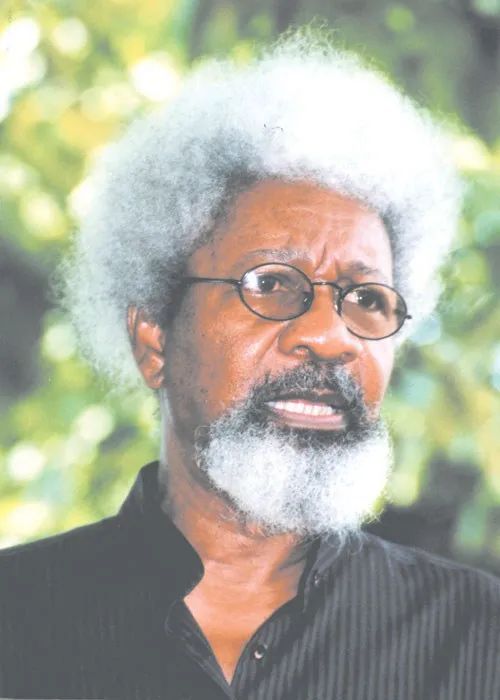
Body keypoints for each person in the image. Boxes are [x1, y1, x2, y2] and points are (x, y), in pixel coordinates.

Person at [1, 30, 499, 700]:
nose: (330, 336)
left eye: (367, 299)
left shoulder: (477, 639)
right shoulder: (17, 621)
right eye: (270, 284)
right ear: (154, 341)